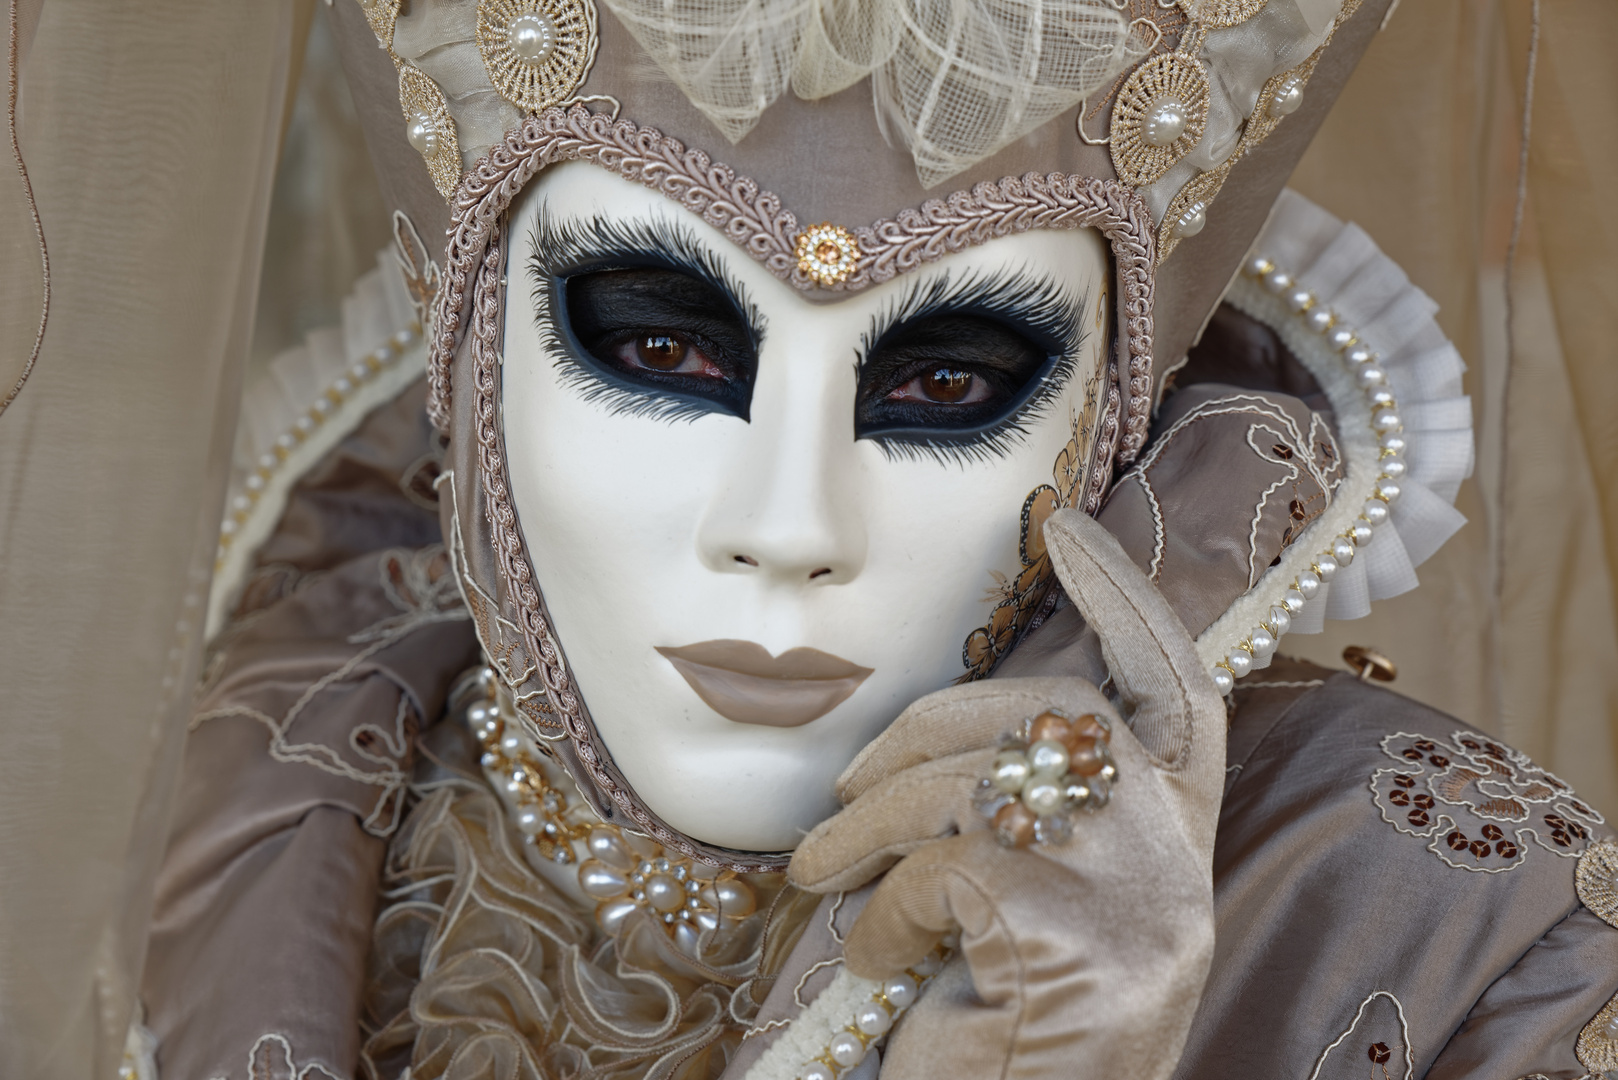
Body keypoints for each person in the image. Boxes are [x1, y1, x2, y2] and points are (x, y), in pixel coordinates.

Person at [132, 1, 1618, 1077]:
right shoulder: (197, 794)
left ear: (1109, 413)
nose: (787, 529)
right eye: (658, 352)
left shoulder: (1469, 942)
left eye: (945, 385)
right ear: (471, 362)